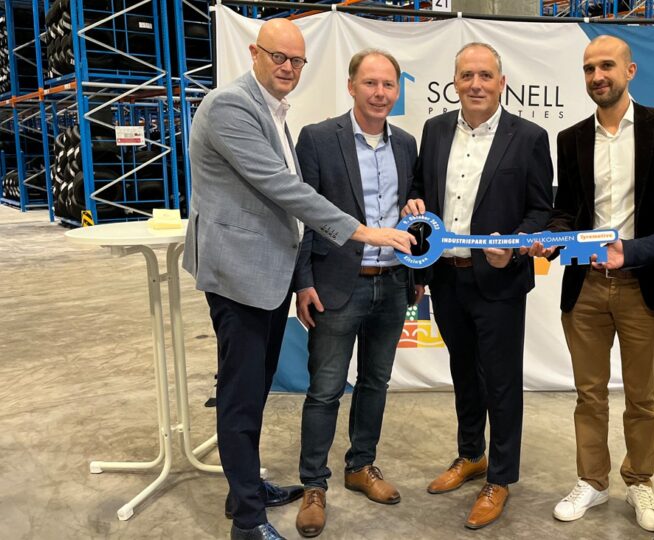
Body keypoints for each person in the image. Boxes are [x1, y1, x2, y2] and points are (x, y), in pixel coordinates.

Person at [183, 19, 413, 540]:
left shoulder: (273, 111)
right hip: (239, 276)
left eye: (296, 60)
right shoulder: (231, 105)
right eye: (278, 56)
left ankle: (245, 488)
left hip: (266, 276)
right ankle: (248, 521)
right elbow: (282, 187)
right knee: (241, 396)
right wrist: (360, 231)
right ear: (254, 53)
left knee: (254, 391)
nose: (288, 67)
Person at [531, 35, 654, 532]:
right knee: (589, 393)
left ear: (630, 70)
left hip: (643, 283)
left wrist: (634, 252)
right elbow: (566, 210)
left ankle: (639, 480)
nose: (597, 76)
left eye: (606, 66)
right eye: (588, 68)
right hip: (586, 287)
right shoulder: (571, 138)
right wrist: (551, 237)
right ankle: (593, 481)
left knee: (642, 397)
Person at [402, 42, 553, 530]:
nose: (476, 84)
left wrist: (515, 246)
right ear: (455, 82)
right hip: (447, 277)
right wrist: (412, 203)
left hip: (500, 280)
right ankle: (471, 455)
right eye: (466, 75)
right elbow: (420, 189)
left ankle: (500, 478)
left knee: (502, 381)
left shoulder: (528, 137)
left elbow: (541, 210)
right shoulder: (435, 129)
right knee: (464, 373)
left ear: (501, 82)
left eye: (485, 75)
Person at [290, 49, 423, 538]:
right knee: (325, 389)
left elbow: (413, 210)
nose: (380, 93)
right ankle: (313, 484)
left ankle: (361, 465)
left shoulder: (406, 143)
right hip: (335, 286)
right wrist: (303, 281)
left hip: (392, 284)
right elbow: (303, 214)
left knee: (375, 382)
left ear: (397, 90)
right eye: (370, 83)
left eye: (388, 84)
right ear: (351, 87)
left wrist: (418, 268)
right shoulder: (319, 138)